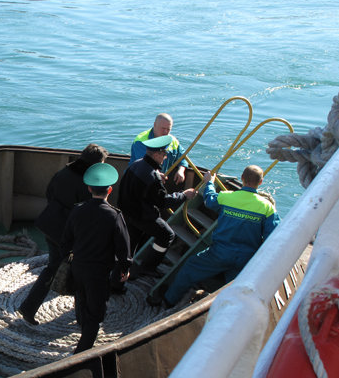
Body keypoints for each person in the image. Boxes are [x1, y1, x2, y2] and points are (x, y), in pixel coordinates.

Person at [156, 165, 280, 307]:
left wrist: (209, 182)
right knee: (234, 288)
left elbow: (209, 200)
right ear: (261, 182)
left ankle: (168, 301)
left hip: (219, 254)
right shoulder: (267, 208)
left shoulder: (227, 197)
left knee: (190, 268)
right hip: (245, 259)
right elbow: (274, 235)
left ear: (242, 178)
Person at [17, 143, 109, 325]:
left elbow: (49, 193)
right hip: (68, 235)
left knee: (52, 268)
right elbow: (86, 214)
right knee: (79, 273)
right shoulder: (87, 185)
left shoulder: (63, 173)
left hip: (50, 226)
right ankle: (83, 319)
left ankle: (28, 307)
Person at [60, 163, 132, 353]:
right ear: (110, 189)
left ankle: (82, 324)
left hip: (78, 267)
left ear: (89, 188)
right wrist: (124, 270)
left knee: (81, 299)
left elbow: (65, 241)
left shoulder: (77, 210)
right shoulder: (114, 216)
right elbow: (123, 249)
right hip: (98, 272)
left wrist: (69, 258)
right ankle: (81, 354)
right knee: (96, 313)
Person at [118, 134, 197, 277]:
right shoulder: (152, 176)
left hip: (128, 213)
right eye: (163, 154)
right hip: (142, 216)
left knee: (131, 243)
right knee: (167, 235)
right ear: (156, 154)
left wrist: (155, 175)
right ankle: (148, 267)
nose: (165, 157)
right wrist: (184, 195)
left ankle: (123, 271)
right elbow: (163, 202)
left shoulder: (137, 164)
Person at [130, 113, 187, 185]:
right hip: (138, 181)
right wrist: (156, 174)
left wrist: (181, 170)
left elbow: (183, 156)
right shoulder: (141, 141)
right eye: (163, 129)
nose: (165, 132)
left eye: (168, 129)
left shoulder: (173, 141)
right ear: (154, 125)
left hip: (159, 182)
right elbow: (145, 164)